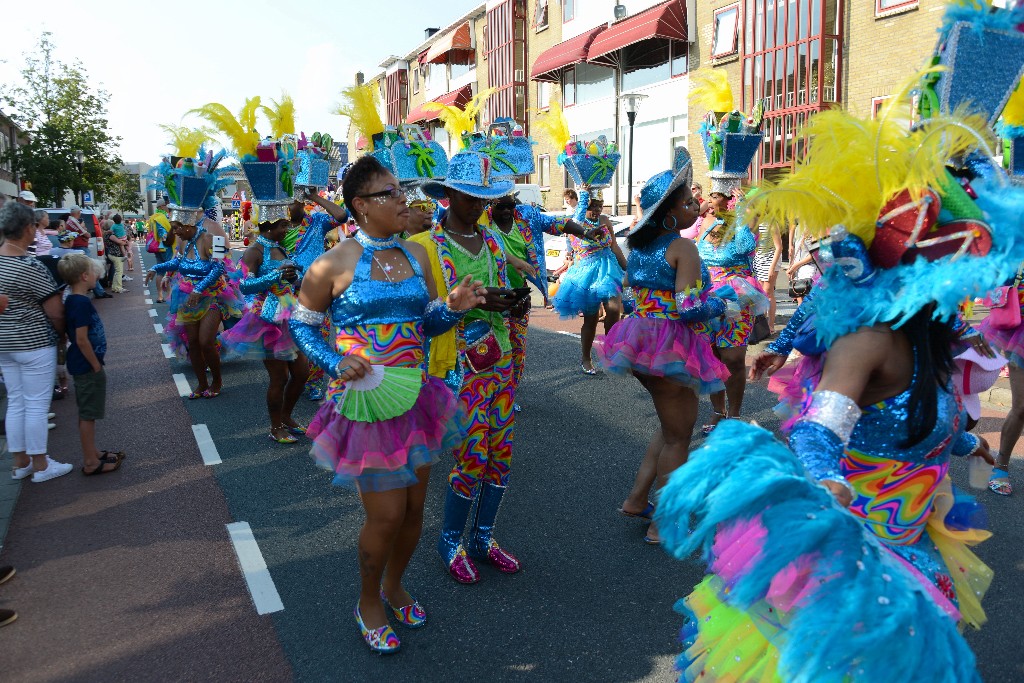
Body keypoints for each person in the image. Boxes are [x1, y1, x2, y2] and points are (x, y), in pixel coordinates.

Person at [654, 87, 1021, 681]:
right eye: (961, 264)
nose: (971, 284)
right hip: (853, 566)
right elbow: (822, 431)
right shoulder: (870, 339)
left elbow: (920, 416)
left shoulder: (929, 335)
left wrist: (966, 443)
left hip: (912, 558)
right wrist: (825, 480)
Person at [289, 154, 483, 654]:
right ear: (360, 206)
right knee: (386, 515)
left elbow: (428, 322)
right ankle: (368, 600)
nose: (404, 201)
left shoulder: (419, 257)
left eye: (401, 191)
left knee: (416, 507)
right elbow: (302, 324)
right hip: (365, 406)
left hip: (416, 396)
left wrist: (454, 309)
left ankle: (395, 585)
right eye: (391, 194)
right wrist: (333, 363)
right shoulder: (333, 263)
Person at [594, 150, 730, 544]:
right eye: (689, 202)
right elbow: (688, 309)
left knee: (672, 426)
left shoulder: (642, 247)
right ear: (669, 215)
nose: (697, 205)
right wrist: (725, 302)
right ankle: (664, 521)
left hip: (639, 344)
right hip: (672, 344)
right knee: (679, 436)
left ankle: (638, 500)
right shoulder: (683, 248)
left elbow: (638, 298)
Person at [410, 151, 523, 585]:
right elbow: (421, 318)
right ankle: (451, 541)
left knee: (502, 455)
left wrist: (508, 302)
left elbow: (495, 291)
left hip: (501, 362)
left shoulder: (492, 240)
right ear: (450, 195)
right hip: (459, 367)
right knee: (472, 457)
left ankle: (484, 538)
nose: (480, 205)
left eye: (485, 198)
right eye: (471, 197)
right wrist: (466, 306)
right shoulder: (425, 248)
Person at [480, 192, 599, 401]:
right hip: (490, 299)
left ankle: (509, 396)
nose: (507, 210)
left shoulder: (527, 217)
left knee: (516, 350)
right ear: (490, 204)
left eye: (511, 206)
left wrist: (585, 233)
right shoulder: (480, 220)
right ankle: (491, 395)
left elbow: (558, 223)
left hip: (518, 296)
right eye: (502, 206)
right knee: (495, 349)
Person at [220, 212, 309, 443]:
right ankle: (275, 426)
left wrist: (292, 276)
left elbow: (287, 280)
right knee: (279, 378)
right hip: (267, 320)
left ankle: (287, 417)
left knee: (301, 374)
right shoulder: (254, 251)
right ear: (269, 226)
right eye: (283, 225)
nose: (287, 229)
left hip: (290, 314)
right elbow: (244, 285)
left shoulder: (280, 247)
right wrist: (275, 276)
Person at [0, 203, 71, 483]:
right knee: (37, 404)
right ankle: (42, 465)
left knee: (16, 402)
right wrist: (62, 334)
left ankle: (20, 463)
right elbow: (55, 311)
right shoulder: (30, 265)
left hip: (4, 342)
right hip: (34, 342)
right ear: (28, 228)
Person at [696, 189, 765, 432]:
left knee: (733, 359)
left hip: (737, 297)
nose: (708, 202)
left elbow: (746, 247)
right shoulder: (707, 222)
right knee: (712, 356)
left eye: (714, 196)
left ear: (729, 199)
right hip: (708, 296)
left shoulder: (746, 221)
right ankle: (717, 411)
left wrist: (739, 214)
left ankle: (734, 415)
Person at [57, 253, 124, 475]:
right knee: (88, 413)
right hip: (86, 365)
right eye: (94, 271)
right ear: (85, 276)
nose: (98, 274)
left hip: (82, 364)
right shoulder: (80, 303)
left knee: (88, 412)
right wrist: (95, 365)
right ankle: (90, 462)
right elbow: (82, 339)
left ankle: (92, 451)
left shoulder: (75, 300)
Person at [551, 188, 627, 374]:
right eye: (593, 206)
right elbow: (577, 219)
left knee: (614, 311)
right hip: (586, 273)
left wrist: (628, 269)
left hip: (608, 270)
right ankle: (586, 358)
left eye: (600, 206)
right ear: (584, 205)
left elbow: (615, 246)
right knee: (591, 320)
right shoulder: (576, 223)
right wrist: (584, 193)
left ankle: (610, 353)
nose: (597, 210)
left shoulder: (605, 221)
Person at [752, 217, 783, 334]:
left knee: (768, 292)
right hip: (759, 259)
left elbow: (779, 247)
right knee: (761, 294)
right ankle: (762, 325)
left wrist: (772, 267)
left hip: (771, 259)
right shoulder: (753, 222)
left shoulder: (771, 222)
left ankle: (770, 325)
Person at [148, 198, 175, 303]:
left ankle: (160, 295)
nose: (167, 207)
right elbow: (162, 233)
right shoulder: (162, 217)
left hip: (156, 247)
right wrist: (168, 239)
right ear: (161, 207)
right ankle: (168, 295)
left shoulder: (153, 217)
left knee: (160, 271)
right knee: (169, 270)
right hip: (165, 247)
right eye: (165, 205)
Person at [105, 214, 129, 293]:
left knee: (117, 271)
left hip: (114, 254)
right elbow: (120, 243)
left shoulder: (110, 234)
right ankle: (118, 287)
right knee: (119, 272)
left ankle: (115, 287)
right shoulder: (111, 236)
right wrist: (125, 242)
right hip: (115, 254)